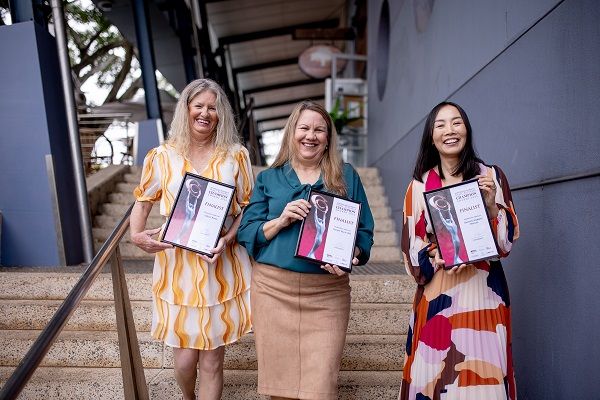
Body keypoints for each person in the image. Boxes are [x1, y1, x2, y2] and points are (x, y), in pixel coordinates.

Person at [237, 100, 374, 400]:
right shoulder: (268, 178)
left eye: (319, 130)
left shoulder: (347, 176)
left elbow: (363, 232)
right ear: (291, 133)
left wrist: (355, 255)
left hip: (327, 294)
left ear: (327, 138)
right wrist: (280, 220)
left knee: (321, 387)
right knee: (280, 389)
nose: (310, 135)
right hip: (273, 290)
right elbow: (247, 232)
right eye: (304, 128)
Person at [130, 78, 254, 400]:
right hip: (177, 268)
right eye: (198, 105)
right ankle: (188, 397)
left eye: (212, 107)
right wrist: (136, 234)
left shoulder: (235, 155)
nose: (205, 113)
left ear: (220, 113)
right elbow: (143, 200)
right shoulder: (162, 156)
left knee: (212, 361)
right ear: (186, 109)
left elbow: (248, 207)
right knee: (184, 361)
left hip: (219, 264)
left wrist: (227, 238)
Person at [399, 102, 520, 400]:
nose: (449, 131)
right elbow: (410, 251)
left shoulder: (491, 176)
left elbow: (506, 244)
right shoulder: (418, 186)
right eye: (440, 125)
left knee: (484, 382)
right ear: (431, 136)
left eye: (456, 123)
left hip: (483, 295)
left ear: (466, 129)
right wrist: (432, 256)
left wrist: (491, 205)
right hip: (439, 294)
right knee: (434, 382)